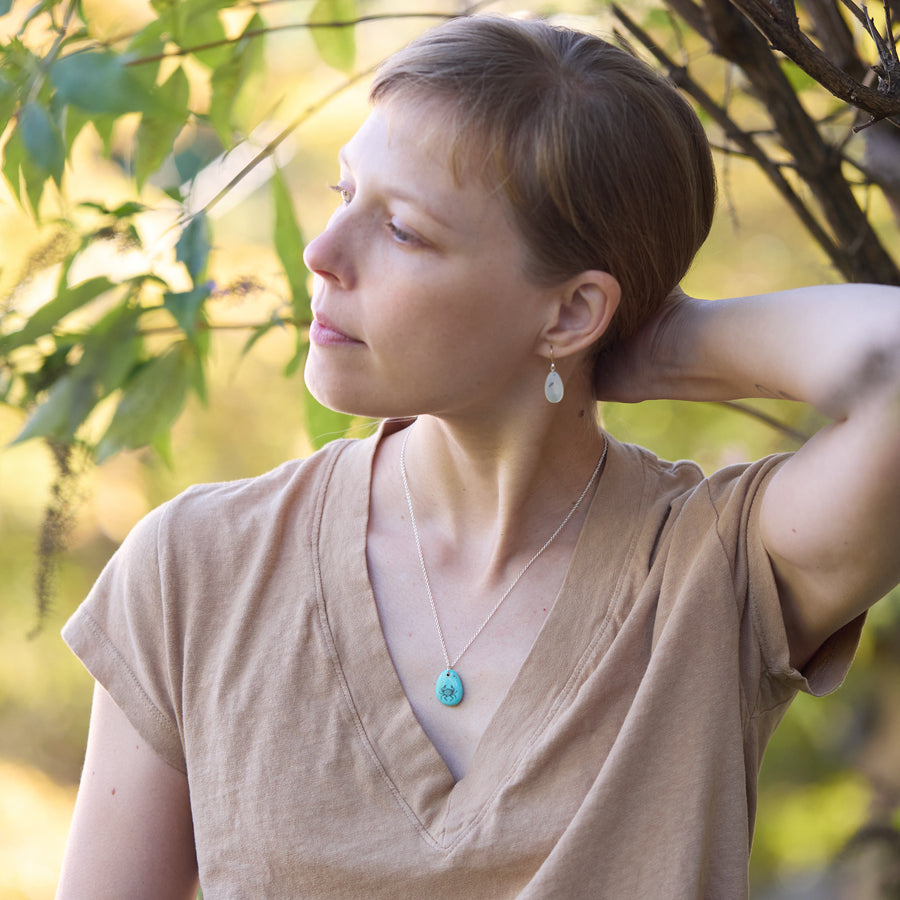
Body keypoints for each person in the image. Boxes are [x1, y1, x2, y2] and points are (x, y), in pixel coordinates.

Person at [56, 14, 900, 899]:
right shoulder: (198, 569)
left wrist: (665, 343)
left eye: (403, 231)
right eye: (345, 194)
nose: (321, 254)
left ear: (573, 313)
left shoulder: (714, 575)